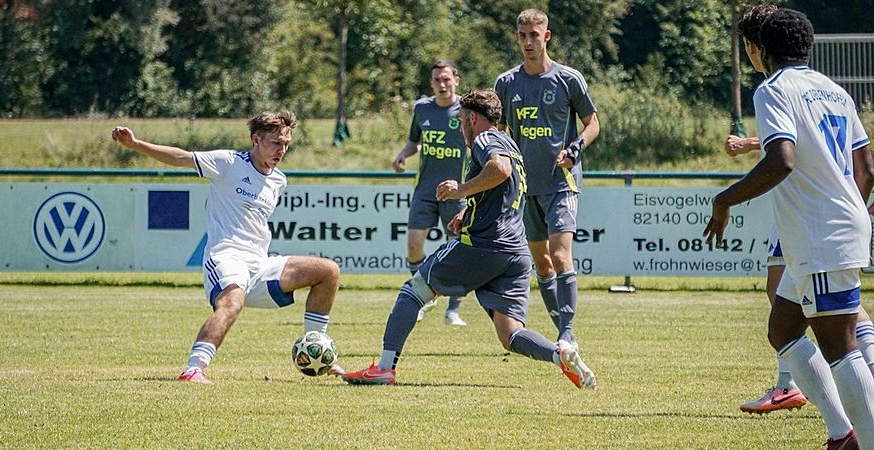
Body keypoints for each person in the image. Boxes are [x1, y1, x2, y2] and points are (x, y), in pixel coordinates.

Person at [704, 9, 874, 450]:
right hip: (825, 230)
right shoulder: (834, 90)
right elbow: (866, 171)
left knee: (840, 348)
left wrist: (724, 199)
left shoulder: (773, 89)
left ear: (759, 50)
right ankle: (842, 436)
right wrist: (845, 211)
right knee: (782, 328)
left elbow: (781, 160)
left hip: (820, 235)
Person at [342, 89, 595, 389]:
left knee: (414, 290)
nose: (462, 128)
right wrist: (467, 210)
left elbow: (499, 170)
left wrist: (460, 191)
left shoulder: (484, 139)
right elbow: (504, 189)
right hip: (515, 252)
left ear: (472, 118)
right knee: (510, 334)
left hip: (484, 246)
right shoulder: (511, 144)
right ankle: (559, 353)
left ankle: (384, 368)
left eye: (462, 120)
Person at [111, 111, 342, 384]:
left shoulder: (279, 180)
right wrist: (136, 144)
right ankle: (194, 369)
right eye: (275, 143)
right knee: (232, 303)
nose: (282, 150)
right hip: (227, 257)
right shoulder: (228, 162)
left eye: (286, 144)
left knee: (328, 271)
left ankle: (317, 350)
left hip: (260, 265)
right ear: (256, 139)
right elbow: (180, 157)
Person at [493, 8, 600, 361]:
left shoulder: (568, 79)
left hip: (561, 182)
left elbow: (593, 124)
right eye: (522, 36)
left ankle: (567, 333)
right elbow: (499, 134)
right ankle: (563, 335)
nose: (528, 42)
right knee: (541, 264)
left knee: (559, 254)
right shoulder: (506, 83)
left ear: (546, 36)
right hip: (525, 188)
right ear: (517, 37)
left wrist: (576, 147)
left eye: (534, 35)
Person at [392, 60, 469, 326]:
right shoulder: (422, 108)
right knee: (414, 246)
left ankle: (453, 309)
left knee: (457, 250)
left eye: (446, 79)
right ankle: (425, 296)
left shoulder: (466, 110)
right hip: (425, 190)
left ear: (456, 80)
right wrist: (403, 154)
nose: (442, 84)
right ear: (431, 83)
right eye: (437, 80)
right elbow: (415, 141)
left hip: (456, 192)